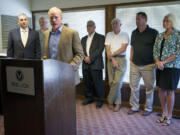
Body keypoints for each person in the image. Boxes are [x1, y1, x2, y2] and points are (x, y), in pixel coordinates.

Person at [43, 7, 84, 85]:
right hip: (50, 76)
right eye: (51, 18)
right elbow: (46, 54)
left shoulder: (72, 33)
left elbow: (80, 54)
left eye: (56, 17)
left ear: (61, 18)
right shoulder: (46, 33)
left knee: (66, 97)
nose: (54, 20)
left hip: (67, 75)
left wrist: (69, 68)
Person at [128, 12, 158, 116]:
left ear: (145, 20)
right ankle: (134, 106)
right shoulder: (133, 32)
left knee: (149, 88)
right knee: (133, 87)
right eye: (136, 19)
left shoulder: (153, 32)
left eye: (139, 19)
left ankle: (148, 108)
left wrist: (156, 61)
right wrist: (131, 58)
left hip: (149, 65)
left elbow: (157, 49)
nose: (137, 21)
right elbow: (132, 46)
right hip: (135, 64)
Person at [153, 13, 180, 126]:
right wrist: (157, 62)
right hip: (159, 67)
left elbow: (177, 53)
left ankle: (169, 116)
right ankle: (163, 114)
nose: (164, 23)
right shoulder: (160, 35)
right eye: (164, 21)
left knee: (169, 91)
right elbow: (154, 49)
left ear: (172, 22)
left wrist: (163, 62)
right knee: (160, 89)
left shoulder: (178, 35)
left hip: (172, 68)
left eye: (167, 21)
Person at [105, 18, 129, 112]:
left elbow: (123, 48)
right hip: (111, 59)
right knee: (112, 82)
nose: (114, 25)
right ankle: (117, 102)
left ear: (120, 24)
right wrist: (113, 59)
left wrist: (113, 55)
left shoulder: (124, 34)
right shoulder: (109, 35)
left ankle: (110, 101)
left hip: (121, 59)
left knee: (117, 82)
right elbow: (107, 49)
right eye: (113, 23)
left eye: (116, 23)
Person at [81, 20, 105, 109]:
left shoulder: (101, 37)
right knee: (87, 83)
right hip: (85, 63)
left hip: (96, 63)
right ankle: (89, 98)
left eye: (91, 25)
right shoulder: (83, 39)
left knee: (98, 83)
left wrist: (90, 58)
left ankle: (100, 100)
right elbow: (80, 50)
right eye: (87, 26)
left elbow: (100, 50)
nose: (89, 27)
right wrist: (85, 57)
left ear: (94, 27)